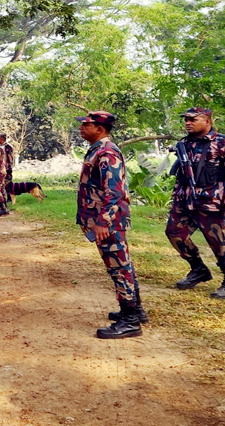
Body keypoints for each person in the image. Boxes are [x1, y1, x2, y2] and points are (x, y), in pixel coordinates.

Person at [166, 107, 225, 299]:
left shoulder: (224, 143)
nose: (187, 123)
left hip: (212, 202)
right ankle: (198, 269)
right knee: (174, 233)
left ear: (207, 121)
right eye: (186, 120)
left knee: (221, 243)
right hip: (185, 200)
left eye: (193, 119)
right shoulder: (185, 143)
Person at [75, 111, 146, 339]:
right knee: (122, 264)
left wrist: (102, 221)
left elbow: (114, 192)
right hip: (104, 219)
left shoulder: (107, 153)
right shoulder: (98, 149)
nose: (81, 128)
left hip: (108, 221)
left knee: (119, 267)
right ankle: (136, 310)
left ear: (100, 128)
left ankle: (130, 321)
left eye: (86, 125)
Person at [0, 133, 15, 203]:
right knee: (4, 183)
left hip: (7, 168)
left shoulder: (7, 147)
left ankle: (10, 198)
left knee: (8, 183)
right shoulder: (2, 147)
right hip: (4, 168)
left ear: (2, 139)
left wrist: (8, 167)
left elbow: (10, 158)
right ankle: (7, 198)